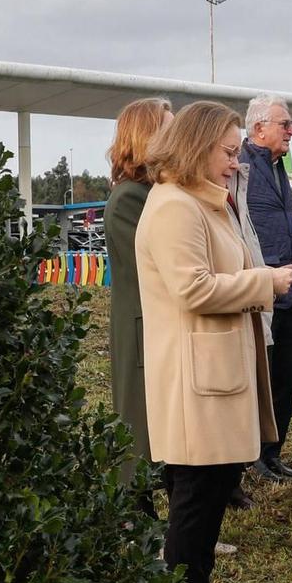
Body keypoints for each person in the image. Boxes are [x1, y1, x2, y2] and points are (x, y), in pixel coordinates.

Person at [137, 101, 292, 583]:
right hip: (194, 379)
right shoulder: (174, 207)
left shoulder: (203, 203)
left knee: (208, 497)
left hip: (214, 373)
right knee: (195, 500)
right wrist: (264, 283)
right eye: (229, 153)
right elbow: (194, 289)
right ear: (196, 147)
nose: (235, 163)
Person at [103, 96, 172, 504]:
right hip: (143, 334)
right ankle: (139, 534)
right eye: (168, 126)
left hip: (156, 331)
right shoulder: (132, 198)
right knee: (139, 441)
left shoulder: (153, 194)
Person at [236, 95, 292, 482]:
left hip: (288, 294)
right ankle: (252, 456)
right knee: (258, 381)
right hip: (260, 295)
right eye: (285, 124)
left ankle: (273, 452)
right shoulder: (242, 169)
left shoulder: (279, 169)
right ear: (259, 128)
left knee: (285, 379)